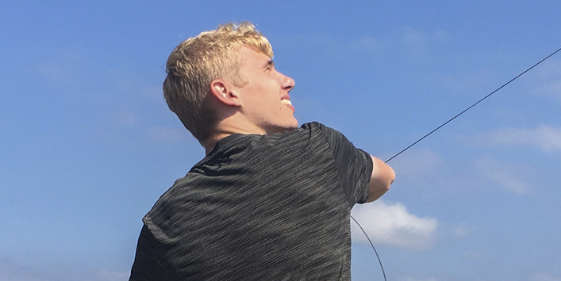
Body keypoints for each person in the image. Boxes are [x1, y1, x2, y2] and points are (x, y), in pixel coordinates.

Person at [130, 22, 395, 280]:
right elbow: (384, 177)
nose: (288, 81)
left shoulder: (162, 219)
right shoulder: (316, 147)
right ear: (226, 92)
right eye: (268, 69)